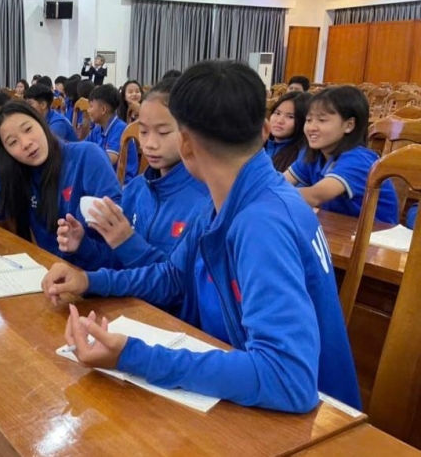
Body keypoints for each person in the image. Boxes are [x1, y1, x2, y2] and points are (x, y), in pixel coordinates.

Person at [41, 60, 361, 414]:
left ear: (186, 144)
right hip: (258, 392)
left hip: (316, 422)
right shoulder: (232, 196)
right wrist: (90, 279)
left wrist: (132, 355)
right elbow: (173, 276)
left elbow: (288, 379)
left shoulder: (261, 222)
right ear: (266, 130)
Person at [58, 78, 209, 271]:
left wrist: (126, 242)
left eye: (163, 133)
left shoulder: (205, 200)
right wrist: (82, 246)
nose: (149, 144)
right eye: (143, 131)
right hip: (129, 299)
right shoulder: (136, 190)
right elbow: (118, 263)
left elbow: (176, 284)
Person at [0, 101, 122, 256]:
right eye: (12, 142)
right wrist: (4, 161)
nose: (26, 143)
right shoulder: (23, 171)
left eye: (28, 129)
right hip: (49, 267)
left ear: (41, 123)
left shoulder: (87, 156)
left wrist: (83, 245)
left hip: (94, 272)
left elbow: (117, 235)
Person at [285, 86, 398, 224]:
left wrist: (268, 192)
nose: (311, 127)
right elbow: (280, 181)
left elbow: (315, 195)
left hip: (377, 238)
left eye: (322, 120)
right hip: (339, 229)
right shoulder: (313, 155)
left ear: (349, 125)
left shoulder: (359, 159)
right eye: (308, 120)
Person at [86, 84, 138, 182]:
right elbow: (84, 146)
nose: (88, 111)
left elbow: (109, 159)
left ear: (103, 110)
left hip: (122, 184)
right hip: (106, 179)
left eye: (91, 106)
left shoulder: (120, 128)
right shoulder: (98, 130)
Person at [265, 91, 311, 172]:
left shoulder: (304, 154)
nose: (279, 121)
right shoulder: (258, 142)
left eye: (290, 117)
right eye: (277, 113)